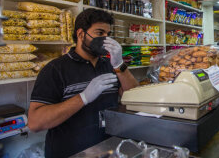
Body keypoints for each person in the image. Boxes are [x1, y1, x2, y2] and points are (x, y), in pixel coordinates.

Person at [27, 8, 139, 158]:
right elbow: (35, 123)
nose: (106, 39)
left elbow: (134, 98)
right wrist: (83, 97)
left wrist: (119, 65)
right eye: (100, 33)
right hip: (70, 153)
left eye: (108, 35)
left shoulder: (110, 65)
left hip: (108, 149)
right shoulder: (55, 69)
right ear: (81, 34)